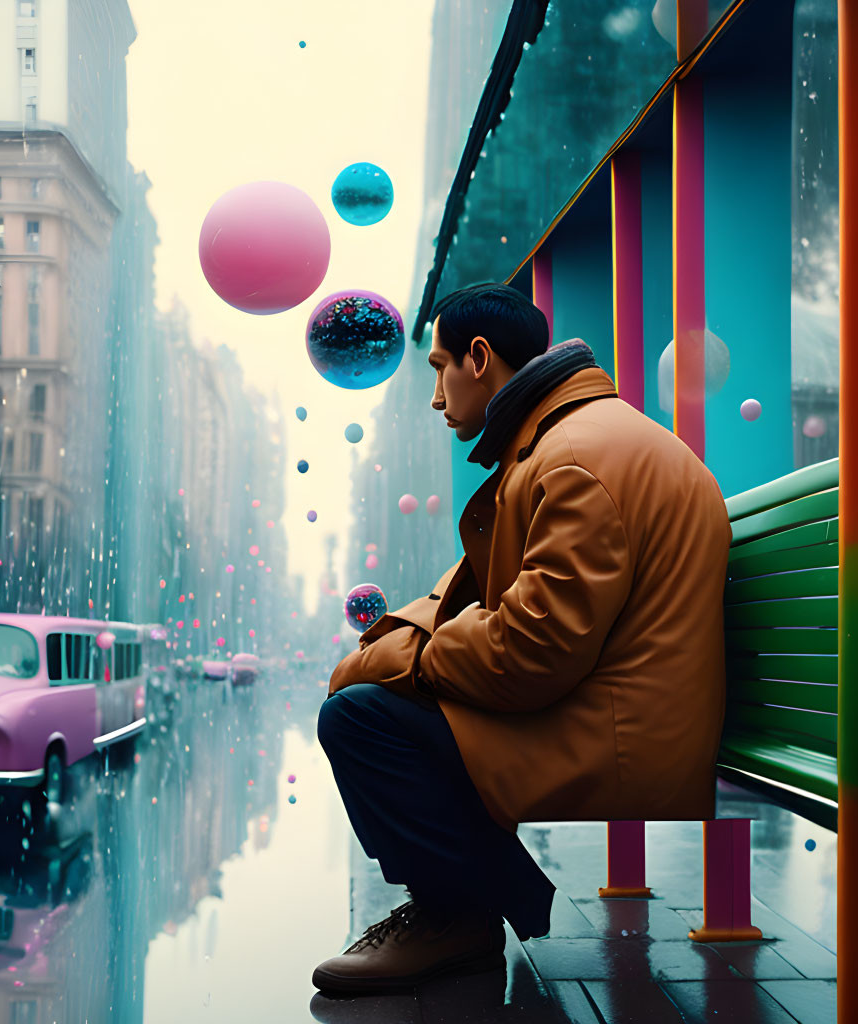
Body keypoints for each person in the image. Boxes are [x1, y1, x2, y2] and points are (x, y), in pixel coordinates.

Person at [313, 283, 732, 998]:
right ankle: (464, 905)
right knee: (372, 703)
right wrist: (384, 657)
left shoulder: (572, 458)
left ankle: (460, 916)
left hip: (622, 731)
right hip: (617, 707)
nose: (438, 399)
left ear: (479, 359)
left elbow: (530, 652)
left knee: (359, 723)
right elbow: (471, 597)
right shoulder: (565, 441)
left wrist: (398, 665)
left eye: (440, 368)